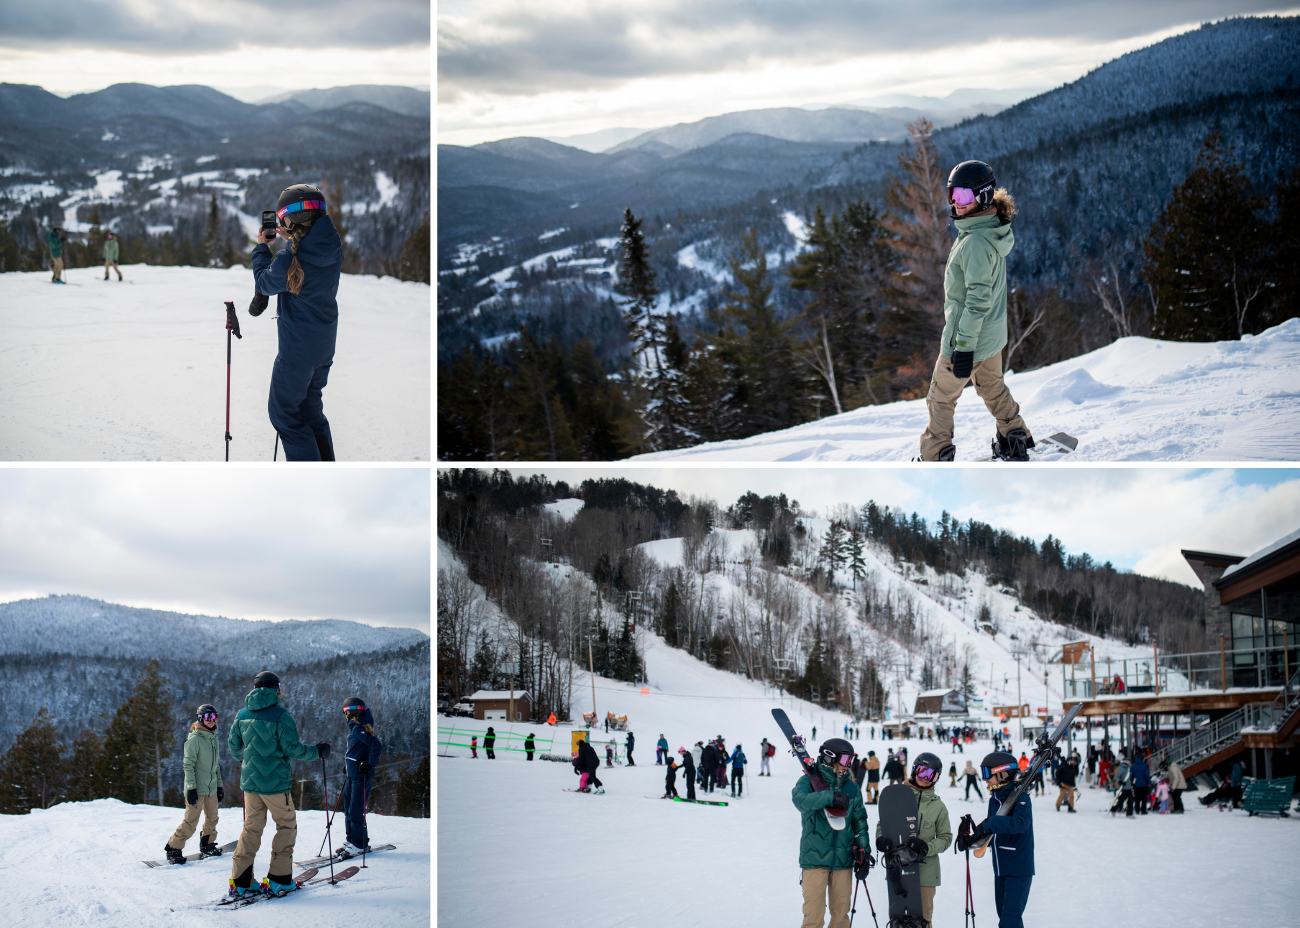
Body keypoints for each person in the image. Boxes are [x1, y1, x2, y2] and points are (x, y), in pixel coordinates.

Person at [917, 160, 1030, 461]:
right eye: (952, 194)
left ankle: (935, 454)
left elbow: (977, 300)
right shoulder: (989, 229)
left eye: (964, 196)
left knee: (940, 397)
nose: (955, 202)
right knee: (992, 387)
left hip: (968, 338)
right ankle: (1014, 436)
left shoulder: (975, 242)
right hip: (990, 337)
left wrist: (963, 347)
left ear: (982, 196)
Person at [250, 183, 344, 461]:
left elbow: (264, 283)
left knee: (284, 416)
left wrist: (262, 249)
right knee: (311, 411)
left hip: (296, 353)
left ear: (291, 219)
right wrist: (292, 238)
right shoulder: (332, 246)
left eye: (282, 219)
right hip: (324, 347)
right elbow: (305, 258)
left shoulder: (287, 258)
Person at [226, 671, 328, 899]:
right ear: (276, 689)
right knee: (286, 826)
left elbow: (234, 747)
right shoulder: (282, 716)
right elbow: (293, 749)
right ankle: (279, 880)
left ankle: (241, 882)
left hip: (250, 785)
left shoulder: (242, 714)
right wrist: (318, 752)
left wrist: (248, 761)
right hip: (275, 785)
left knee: (251, 829)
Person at [792, 739, 870, 928]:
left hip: (843, 861)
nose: (847, 765)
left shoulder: (852, 788)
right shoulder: (808, 781)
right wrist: (830, 797)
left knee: (841, 916)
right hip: (814, 860)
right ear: (829, 757)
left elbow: (859, 821)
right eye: (844, 760)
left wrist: (863, 851)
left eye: (850, 760)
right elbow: (799, 800)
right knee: (813, 916)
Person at [956, 752, 1034, 928]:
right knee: (1004, 917)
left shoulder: (1020, 798)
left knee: (1010, 920)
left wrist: (988, 824)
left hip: (1018, 869)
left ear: (1002, 773)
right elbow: (993, 831)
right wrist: (972, 839)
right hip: (1000, 868)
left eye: (987, 774)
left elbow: (1020, 824)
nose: (985, 780)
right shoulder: (995, 799)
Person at [878, 752, 952, 928]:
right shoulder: (896, 797)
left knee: (922, 921)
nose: (925, 778)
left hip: (926, 874)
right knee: (899, 920)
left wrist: (927, 847)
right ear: (914, 771)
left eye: (931, 775)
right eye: (922, 771)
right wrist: (881, 840)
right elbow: (883, 825)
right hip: (899, 869)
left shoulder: (938, 806)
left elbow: (946, 838)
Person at [164, 704, 225, 864]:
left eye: (214, 717)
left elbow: (216, 766)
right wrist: (191, 788)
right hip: (197, 789)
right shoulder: (195, 740)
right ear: (200, 719)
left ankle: (207, 844)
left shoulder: (213, 740)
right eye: (208, 717)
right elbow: (188, 765)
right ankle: (173, 848)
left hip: (211, 788)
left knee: (213, 818)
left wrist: (219, 786)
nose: (211, 721)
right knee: (191, 822)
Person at [340, 697, 383, 859]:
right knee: (348, 809)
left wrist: (370, 765)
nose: (345, 716)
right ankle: (352, 839)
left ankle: (359, 844)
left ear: (353, 713)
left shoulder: (358, 729)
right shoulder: (355, 729)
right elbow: (355, 752)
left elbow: (376, 745)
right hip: (353, 776)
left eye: (347, 712)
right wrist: (349, 764)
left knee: (355, 810)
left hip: (360, 777)